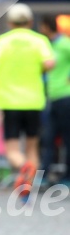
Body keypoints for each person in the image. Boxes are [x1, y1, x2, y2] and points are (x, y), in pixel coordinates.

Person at [0, 4, 55, 197]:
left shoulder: (3, 40)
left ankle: (23, 167)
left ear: (9, 23)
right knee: (32, 146)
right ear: (31, 22)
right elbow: (49, 63)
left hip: (9, 100)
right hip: (34, 100)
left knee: (13, 149)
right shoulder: (39, 40)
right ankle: (27, 188)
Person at [39, 15, 70, 183]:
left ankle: (67, 176)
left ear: (46, 26)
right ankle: (44, 175)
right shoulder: (47, 45)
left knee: (67, 138)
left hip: (65, 96)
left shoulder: (65, 43)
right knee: (48, 137)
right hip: (51, 97)